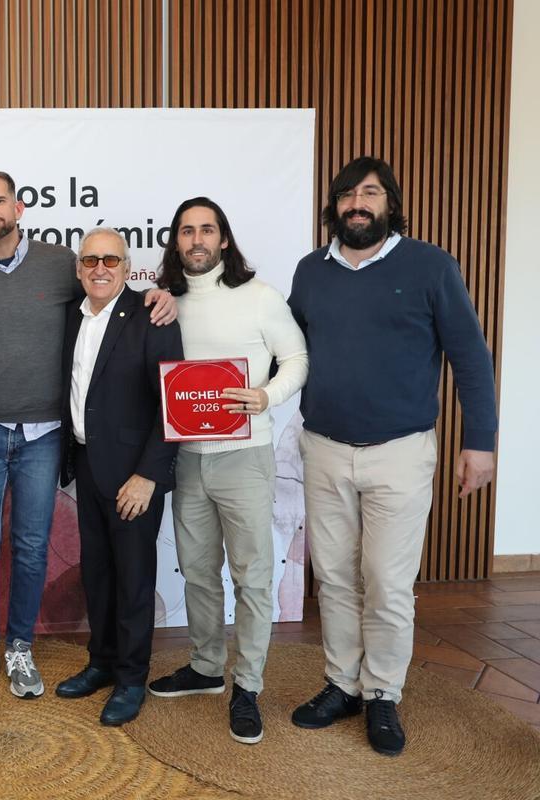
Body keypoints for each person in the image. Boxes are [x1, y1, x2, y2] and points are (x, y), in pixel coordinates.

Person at [0, 170, 175, 699]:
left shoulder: (61, 264)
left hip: (47, 434)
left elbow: (108, 298)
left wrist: (158, 296)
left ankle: (21, 647)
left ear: (20, 207)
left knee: (31, 548)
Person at [287, 157, 497, 756]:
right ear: (334, 206)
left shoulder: (430, 266)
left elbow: (471, 358)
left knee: (386, 580)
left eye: (371, 193)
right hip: (323, 449)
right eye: (348, 194)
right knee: (332, 577)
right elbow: (288, 349)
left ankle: (382, 693)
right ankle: (341, 684)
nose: (358, 203)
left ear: (390, 204)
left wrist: (479, 443)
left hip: (400, 454)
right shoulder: (311, 272)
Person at [144, 198, 308, 745]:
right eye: (186, 231)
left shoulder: (259, 297)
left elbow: (298, 360)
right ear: (176, 242)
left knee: (252, 576)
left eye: (206, 230)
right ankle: (207, 667)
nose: (196, 239)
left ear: (224, 240)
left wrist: (267, 396)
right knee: (196, 572)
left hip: (245, 458)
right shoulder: (165, 304)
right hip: (187, 460)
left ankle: (249, 685)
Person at [50, 228, 183, 725]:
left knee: (132, 580)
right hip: (86, 465)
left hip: (134, 476)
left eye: (110, 260)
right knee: (98, 574)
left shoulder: (152, 315)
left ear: (128, 268)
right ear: (79, 268)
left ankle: (131, 679)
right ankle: (102, 662)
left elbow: (172, 402)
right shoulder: (71, 315)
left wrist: (149, 475)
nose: (99, 269)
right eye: (90, 261)